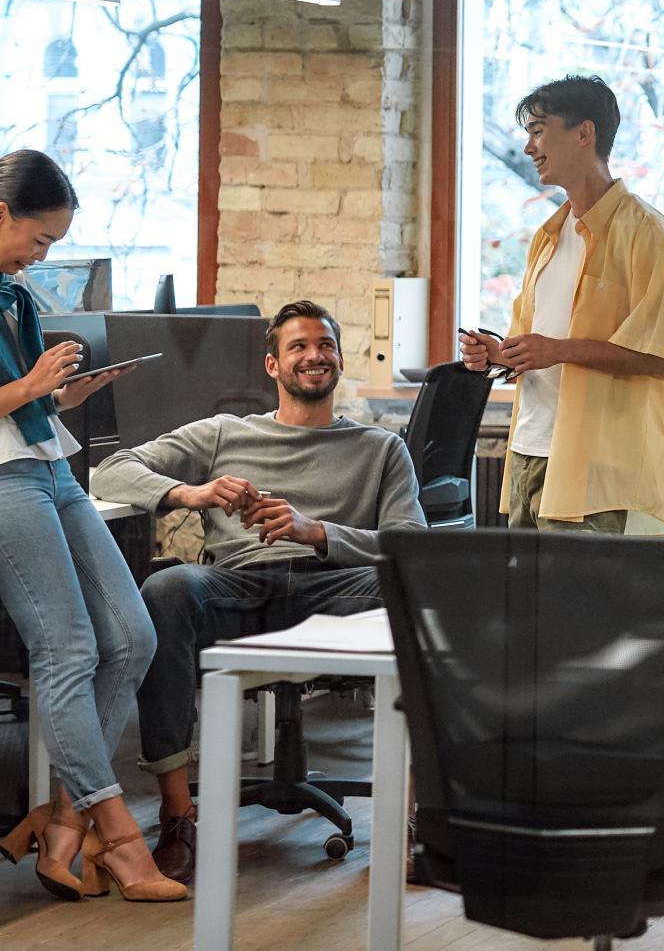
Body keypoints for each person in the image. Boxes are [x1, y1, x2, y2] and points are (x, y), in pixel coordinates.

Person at [92, 299, 423, 883]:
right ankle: (176, 813)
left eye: (324, 345)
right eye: (298, 346)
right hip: (238, 587)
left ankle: (417, 815)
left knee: (418, 589)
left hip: (336, 590)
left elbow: (411, 545)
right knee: (168, 587)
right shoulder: (224, 434)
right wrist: (189, 494)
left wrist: (313, 531)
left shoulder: (380, 448)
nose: (314, 356)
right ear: (272, 365)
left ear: (340, 360)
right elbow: (109, 471)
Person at [0, 150, 183, 903]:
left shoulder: (15, 294)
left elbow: (29, 407)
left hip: (50, 467)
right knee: (69, 648)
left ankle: (63, 821)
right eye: (39, 240)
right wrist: (29, 385)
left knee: (133, 636)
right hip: (4, 483)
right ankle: (119, 838)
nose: (43, 256)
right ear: (2, 213)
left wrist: (67, 393)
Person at [458, 75, 664, 533]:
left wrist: (560, 350)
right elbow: (536, 348)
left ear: (583, 133)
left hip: (594, 467)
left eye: (539, 131)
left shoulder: (649, 233)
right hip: (528, 450)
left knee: (582, 603)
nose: (529, 147)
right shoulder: (547, 236)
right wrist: (495, 353)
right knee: (523, 603)